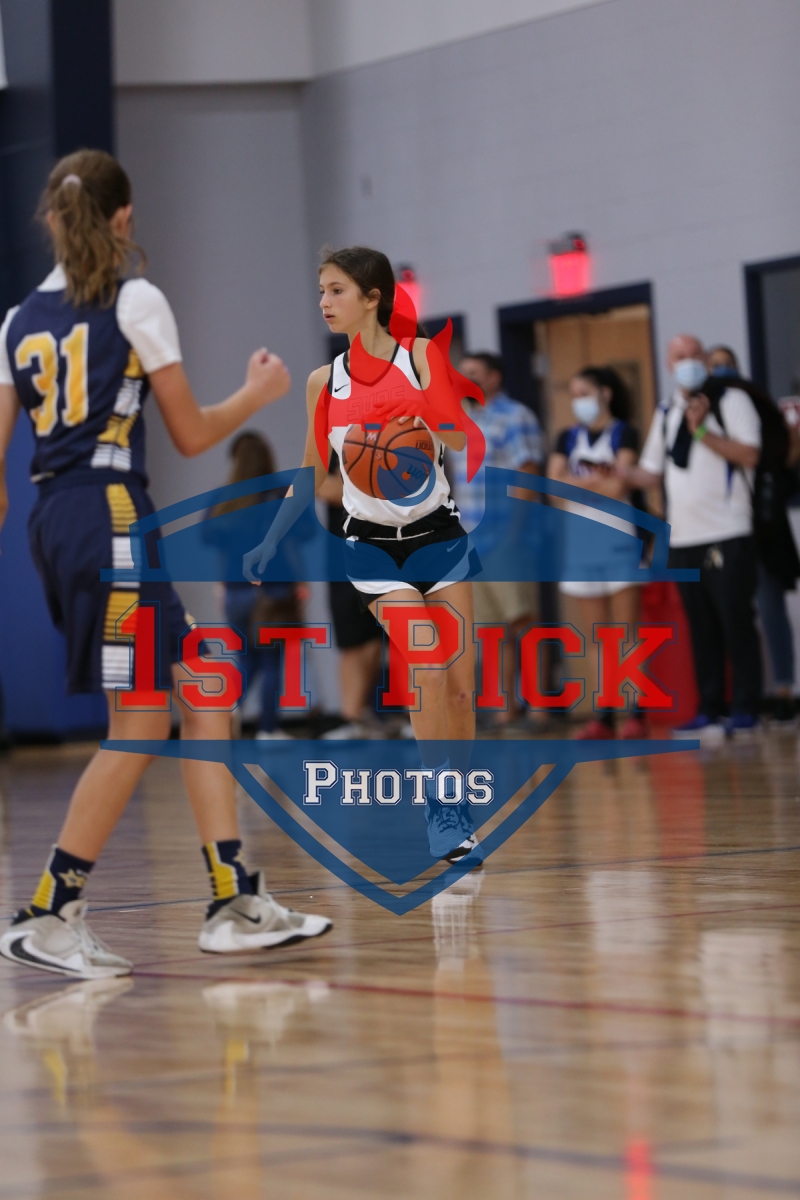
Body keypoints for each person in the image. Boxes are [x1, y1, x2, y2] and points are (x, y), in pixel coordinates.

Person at [0, 150, 332, 979]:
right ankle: (49, 911)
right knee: (144, 722)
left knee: (202, 692)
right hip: (112, 512)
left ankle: (233, 897)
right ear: (124, 217)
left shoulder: (15, 322)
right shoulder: (135, 300)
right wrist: (256, 395)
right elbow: (189, 433)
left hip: (57, 520)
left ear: (52, 219)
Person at [245, 245, 478, 863]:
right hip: (371, 547)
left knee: (460, 690)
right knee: (427, 667)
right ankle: (442, 811)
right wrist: (270, 539)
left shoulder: (419, 357)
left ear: (373, 298)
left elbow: (457, 437)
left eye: (337, 290)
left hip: (438, 536)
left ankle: (457, 799)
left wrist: (418, 409)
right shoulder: (324, 382)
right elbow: (310, 471)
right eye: (321, 291)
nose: (324, 302)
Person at [623, 334, 763, 740]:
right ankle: (709, 708)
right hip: (684, 537)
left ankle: (747, 707)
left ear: (704, 358)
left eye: (693, 355)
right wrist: (616, 473)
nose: (687, 362)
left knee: (735, 620)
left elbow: (749, 454)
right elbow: (652, 471)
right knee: (700, 627)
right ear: (670, 365)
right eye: (679, 357)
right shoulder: (667, 410)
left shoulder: (732, 400)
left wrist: (701, 431)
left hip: (727, 529)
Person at [548, 366, 645, 739]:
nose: (578, 401)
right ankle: (605, 714)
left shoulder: (624, 432)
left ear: (605, 393)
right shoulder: (566, 438)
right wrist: (598, 481)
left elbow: (620, 486)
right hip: (580, 543)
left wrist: (576, 484)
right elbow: (552, 488)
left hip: (619, 538)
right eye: (573, 395)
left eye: (584, 393)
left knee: (626, 631)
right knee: (597, 635)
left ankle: (636, 711)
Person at [448, 352, 544, 727]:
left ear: (494, 377)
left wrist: (513, 534)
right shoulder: (462, 418)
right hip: (472, 540)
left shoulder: (515, 416)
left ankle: (538, 707)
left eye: (473, 373)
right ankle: (506, 710)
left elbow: (528, 473)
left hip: (506, 536)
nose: (465, 380)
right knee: (490, 630)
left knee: (522, 621)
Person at [706, 345, 799, 724]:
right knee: (729, 612)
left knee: (769, 605)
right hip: (717, 526)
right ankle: (742, 693)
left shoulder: (759, 407)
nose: (721, 370)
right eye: (714, 365)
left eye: (726, 364)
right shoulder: (698, 414)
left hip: (760, 524)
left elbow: (779, 462)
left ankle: (783, 689)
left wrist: (793, 439)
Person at [213, 431, 304, 740]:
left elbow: (217, 545)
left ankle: (224, 714)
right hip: (273, 590)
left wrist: (221, 585)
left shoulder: (224, 499)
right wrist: (300, 582)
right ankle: (268, 729)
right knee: (271, 662)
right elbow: (299, 539)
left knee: (246, 659)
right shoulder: (280, 495)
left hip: (234, 591)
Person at [317, 456, 384, 741]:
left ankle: (360, 712)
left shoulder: (385, 442)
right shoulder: (333, 445)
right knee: (351, 641)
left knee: (375, 640)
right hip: (344, 558)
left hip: (381, 553)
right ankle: (350, 716)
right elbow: (321, 486)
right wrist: (370, 489)